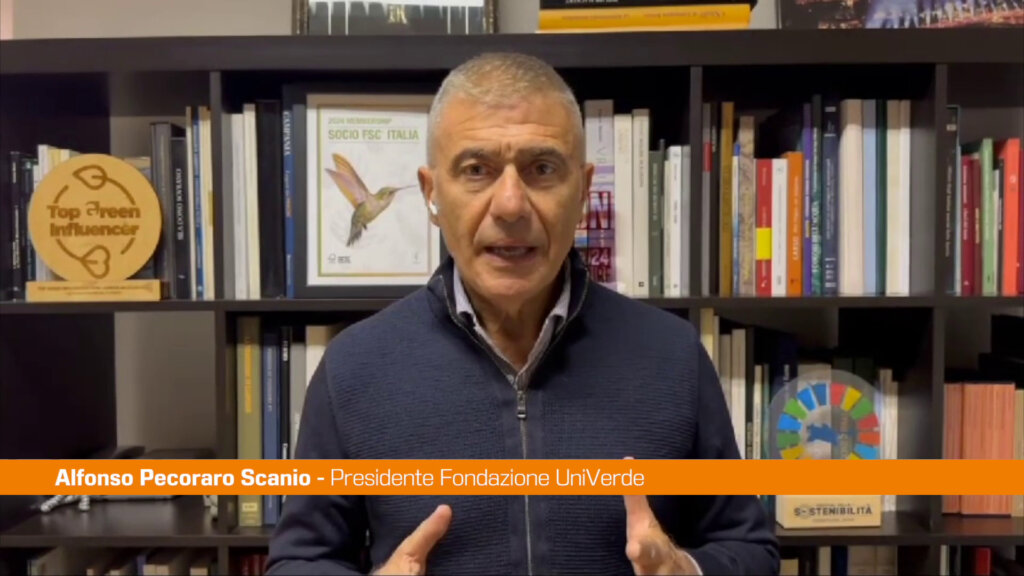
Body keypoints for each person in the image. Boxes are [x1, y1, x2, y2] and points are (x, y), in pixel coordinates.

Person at [265, 51, 779, 576]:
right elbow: (299, 562)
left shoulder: (672, 355)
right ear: (431, 193)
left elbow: (750, 550)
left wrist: (685, 569)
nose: (510, 205)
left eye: (542, 169)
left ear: (583, 192)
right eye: (476, 170)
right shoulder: (354, 367)